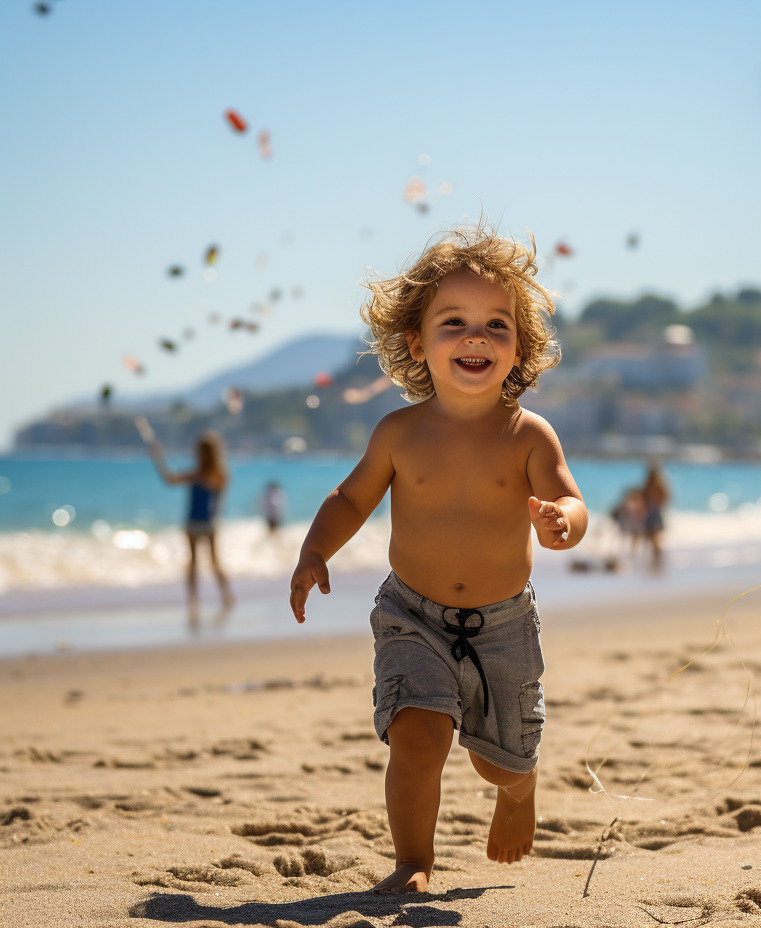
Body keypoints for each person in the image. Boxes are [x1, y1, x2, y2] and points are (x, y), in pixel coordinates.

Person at [289, 226, 588, 895]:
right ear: (417, 343)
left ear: (521, 346)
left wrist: (562, 522)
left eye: (495, 324)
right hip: (412, 616)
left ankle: (519, 791)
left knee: (499, 766)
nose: (475, 337)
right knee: (416, 738)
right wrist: (314, 550)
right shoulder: (398, 432)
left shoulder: (528, 434)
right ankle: (413, 860)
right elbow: (351, 497)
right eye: (454, 323)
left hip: (502, 626)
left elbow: (570, 497)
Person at [146, 430, 235, 609]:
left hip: (201, 523)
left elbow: (170, 480)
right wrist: (158, 457)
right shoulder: (214, 475)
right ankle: (209, 597)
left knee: (204, 561)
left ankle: (211, 597)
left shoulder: (205, 475)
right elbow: (170, 480)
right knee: (204, 561)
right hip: (201, 523)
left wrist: (159, 458)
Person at [640, 462, 670, 572]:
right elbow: (666, 498)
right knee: (653, 539)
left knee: (653, 539)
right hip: (653, 513)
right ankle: (655, 562)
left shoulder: (651, 485)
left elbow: (664, 498)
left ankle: (656, 562)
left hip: (652, 514)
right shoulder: (657, 485)